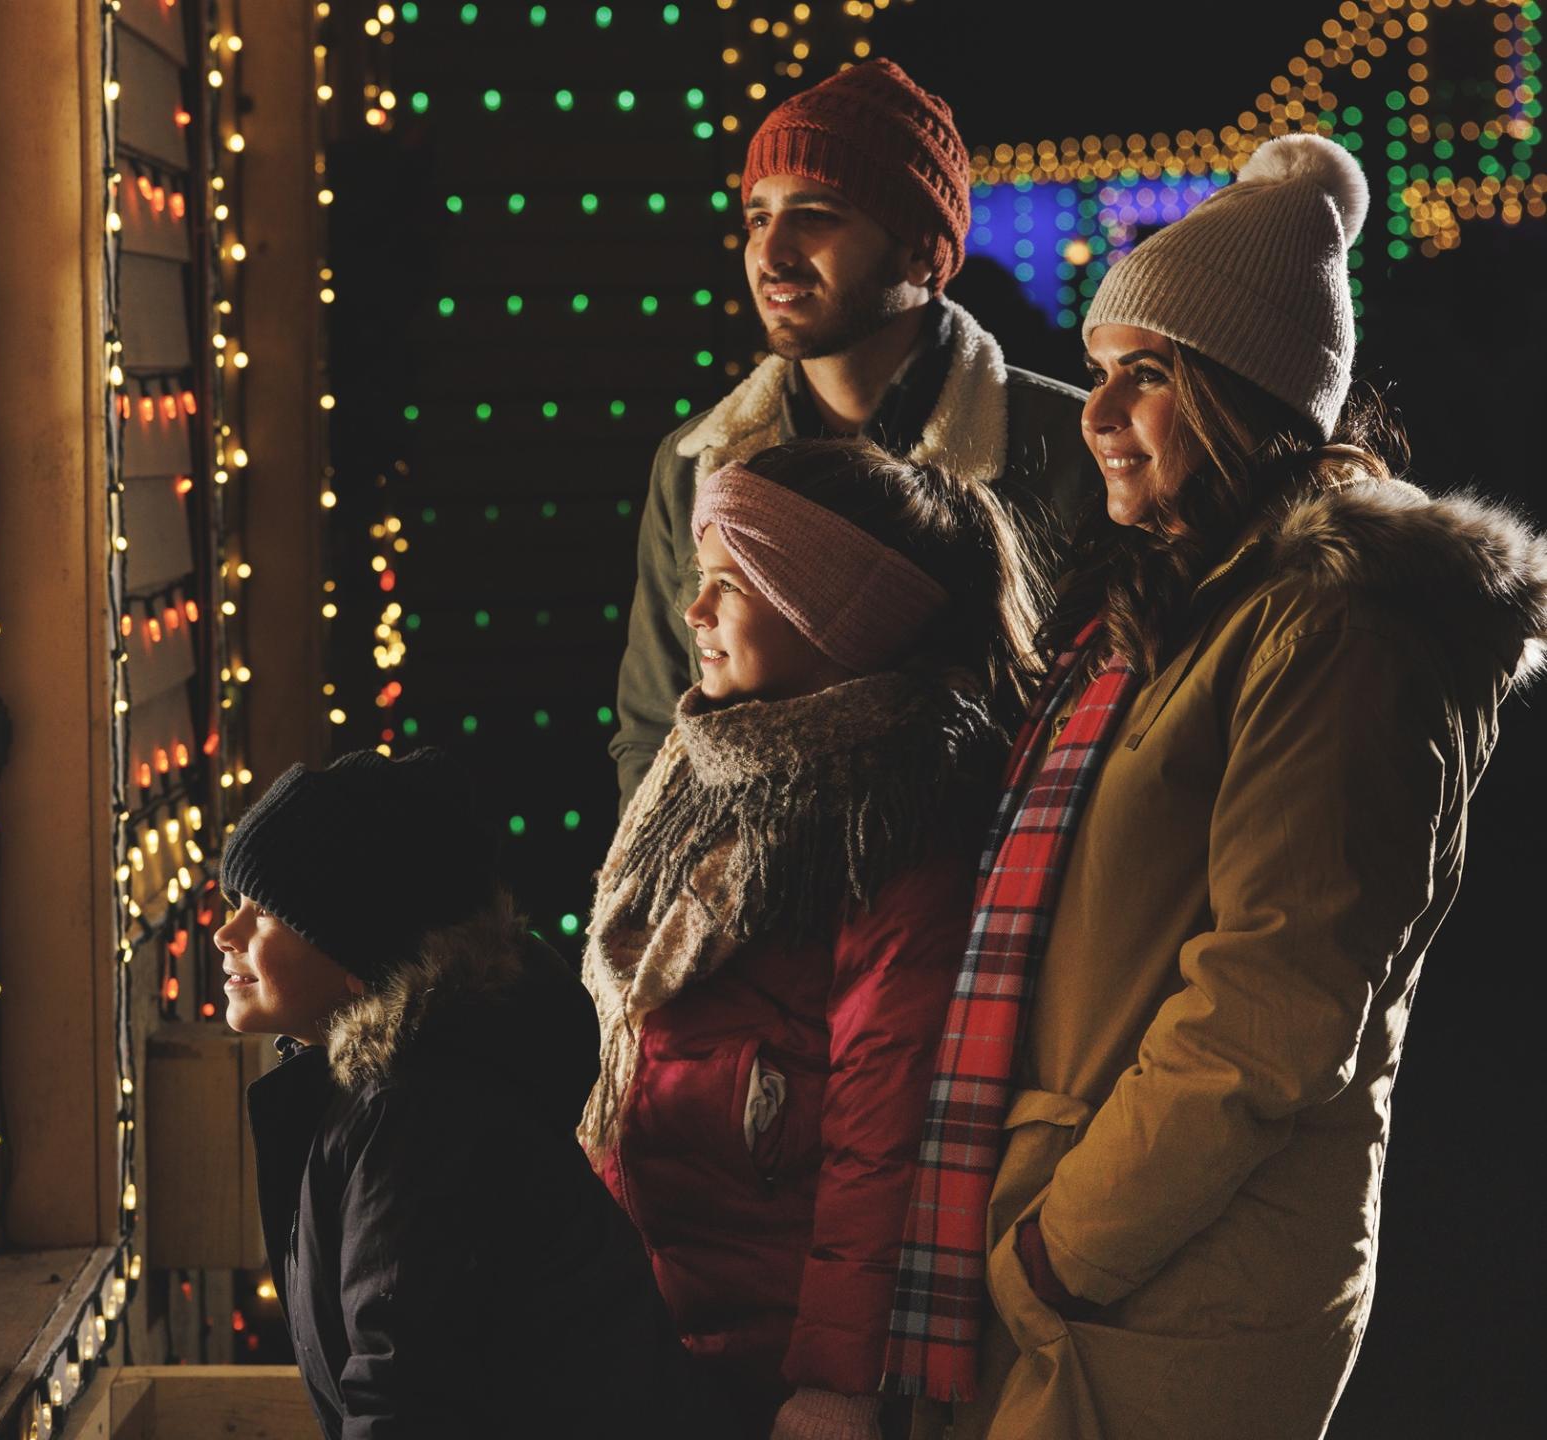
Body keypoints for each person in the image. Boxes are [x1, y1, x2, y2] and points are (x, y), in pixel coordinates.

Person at [884, 134, 1547, 1440]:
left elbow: (1275, 998)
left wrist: (1059, 1246)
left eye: (1147, 378)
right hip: (1102, 1254)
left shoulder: (1334, 627)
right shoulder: (1171, 607)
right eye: (1095, 375)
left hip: (1176, 1271)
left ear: (1245, 396)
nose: (1096, 413)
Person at [582, 437, 1050, 1440]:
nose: (692, 612)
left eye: (728, 584)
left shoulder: (887, 815)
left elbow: (882, 1123)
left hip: (774, 1334)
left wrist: (837, 1382)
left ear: (829, 610)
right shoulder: (708, 768)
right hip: (669, 1298)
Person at [612, 57, 1094, 811]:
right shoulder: (696, 463)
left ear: (916, 250)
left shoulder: (1073, 446)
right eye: (760, 218)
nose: (771, 254)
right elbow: (652, 732)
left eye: (815, 215)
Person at [218, 748, 724, 1440]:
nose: (227, 934)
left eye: (264, 912)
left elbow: (408, 1395)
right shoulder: (385, 1095)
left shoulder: (416, 1116)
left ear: (359, 959)